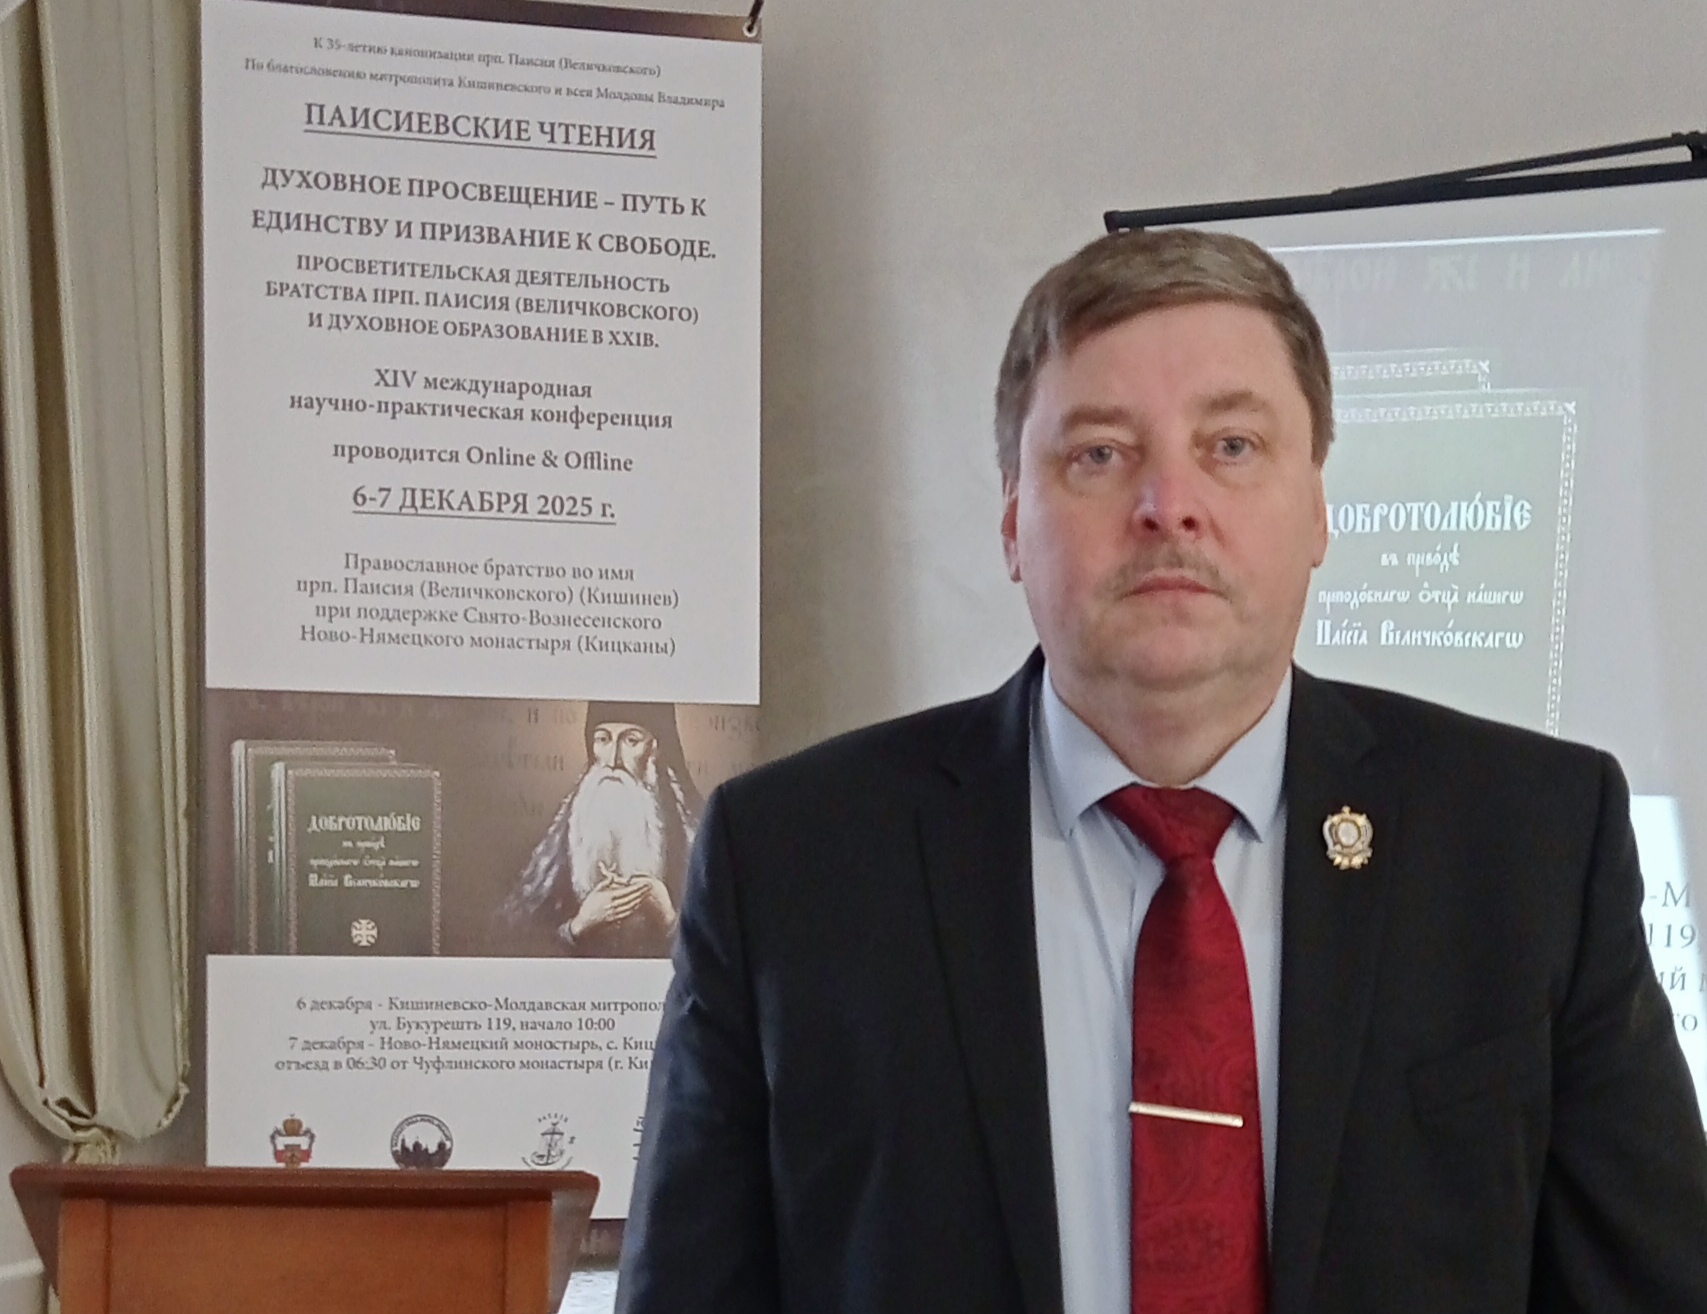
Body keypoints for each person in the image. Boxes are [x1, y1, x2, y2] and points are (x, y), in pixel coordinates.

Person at [617, 230, 1707, 1312]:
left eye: (1231, 445)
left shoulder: (1531, 843)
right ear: (1013, 522)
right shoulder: (792, 863)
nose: (1167, 504)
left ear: (1317, 509)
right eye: (1099, 454)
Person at [500, 702, 701, 958]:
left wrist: (668, 919)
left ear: (655, 749)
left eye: (631, 741)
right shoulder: (553, 849)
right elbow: (511, 943)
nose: (613, 759)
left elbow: (724, 956)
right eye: (603, 739)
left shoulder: (695, 841)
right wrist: (578, 926)